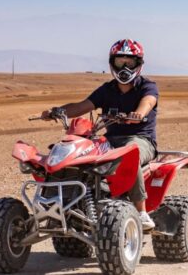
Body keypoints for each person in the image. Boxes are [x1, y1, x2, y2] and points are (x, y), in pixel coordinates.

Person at [40, 39, 158, 230]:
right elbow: (81, 106)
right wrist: (57, 111)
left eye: (130, 62)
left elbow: (148, 102)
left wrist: (139, 114)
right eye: (121, 62)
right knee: (79, 156)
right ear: (113, 63)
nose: (125, 67)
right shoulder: (107, 90)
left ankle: (142, 212)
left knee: (130, 153)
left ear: (139, 64)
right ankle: (65, 204)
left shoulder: (147, 87)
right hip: (110, 141)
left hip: (141, 140)